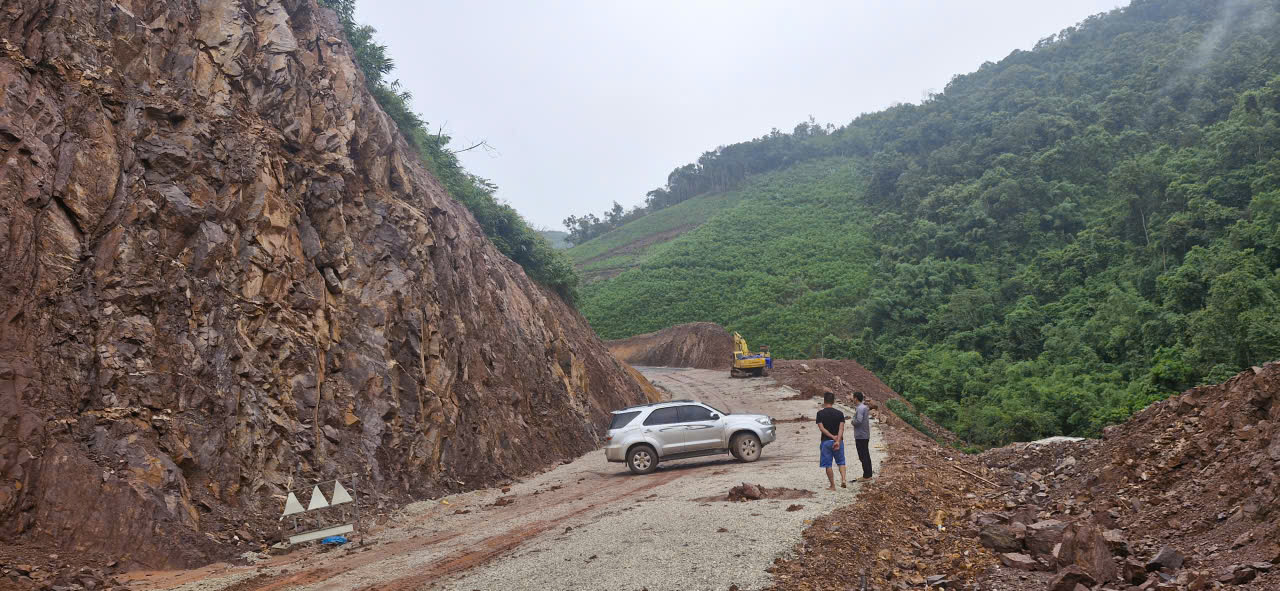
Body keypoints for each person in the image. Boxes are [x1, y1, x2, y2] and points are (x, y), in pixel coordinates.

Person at [815, 391, 847, 490]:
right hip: (839, 442)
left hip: (826, 442)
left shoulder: (820, 413)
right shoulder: (840, 413)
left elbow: (821, 428)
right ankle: (843, 479)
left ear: (824, 401)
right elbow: (841, 428)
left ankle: (832, 486)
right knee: (841, 462)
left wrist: (832, 437)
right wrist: (837, 440)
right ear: (833, 401)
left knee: (828, 464)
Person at [852, 391, 873, 480]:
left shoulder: (860, 408)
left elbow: (858, 421)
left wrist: (852, 422)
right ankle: (869, 474)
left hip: (860, 435)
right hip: (865, 434)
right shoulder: (864, 407)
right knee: (866, 455)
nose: (852, 399)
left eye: (853, 398)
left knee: (862, 456)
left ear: (856, 398)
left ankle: (866, 476)